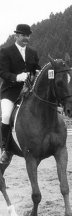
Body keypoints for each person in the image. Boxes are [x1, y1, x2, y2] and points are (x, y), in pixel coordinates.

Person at [0, 24, 41, 164]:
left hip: (28, 90)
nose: (26, 38)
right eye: (23, 35)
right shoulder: (6, 51)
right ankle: (5, 148)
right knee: (5, 115)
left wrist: (38, 74)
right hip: (10, 91)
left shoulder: (32, 52)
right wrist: (17, 77)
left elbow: (37, 69)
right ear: (16, 36)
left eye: (28, 35)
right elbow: (2, 72)